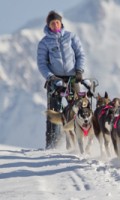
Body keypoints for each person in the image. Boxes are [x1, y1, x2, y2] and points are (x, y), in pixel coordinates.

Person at [37, 10, 86, 149]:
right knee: (54, 111)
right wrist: (51, 77)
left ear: (61, 22)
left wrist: (79, 70)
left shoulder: (71, 37)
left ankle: (81, 143)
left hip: (72, 79)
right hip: (55, 81)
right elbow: (42, 64)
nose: (55, 25)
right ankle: (52, 145)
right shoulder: (44, 43)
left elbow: (80, 55)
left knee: (78, 109)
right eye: (52, 23)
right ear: (48, 25)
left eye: (57, 22)